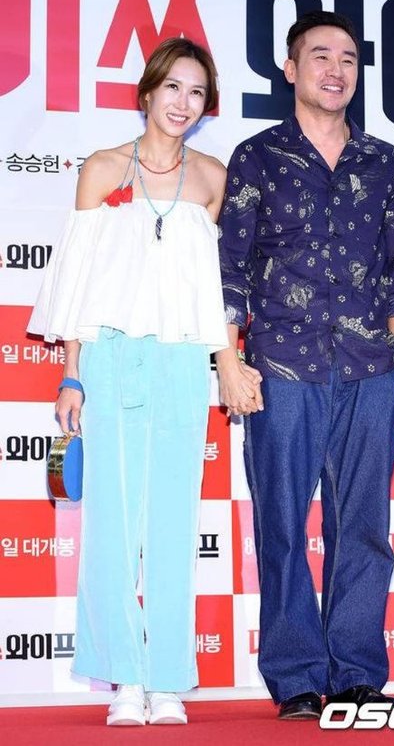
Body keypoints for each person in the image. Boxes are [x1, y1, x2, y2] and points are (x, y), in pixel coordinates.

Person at [216, 11, 394, 719]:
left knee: (362, 524)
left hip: (370, 369)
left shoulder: (386, 161)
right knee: (281, 523)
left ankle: (359, 671)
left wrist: (391, 345)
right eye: (321, 56)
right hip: (281, 367)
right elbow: (231, 268)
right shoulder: (257, 156)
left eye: (348, 59)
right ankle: (297, 675)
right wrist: (229, 359)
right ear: (291, 68)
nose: (336, 70)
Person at [27, 37, 228, 726]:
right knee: (111, 524)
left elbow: (204, 285)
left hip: (182, 360)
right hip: (110, 355)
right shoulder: (103, 168)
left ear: (206, 106)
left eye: (196, 92)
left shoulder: (212, 178)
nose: (183, 102)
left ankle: (166, 677)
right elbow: (77, 278)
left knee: (173, 523)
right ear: (147, 93)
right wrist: (72, 373)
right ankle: (124, 678)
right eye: (173, 87)